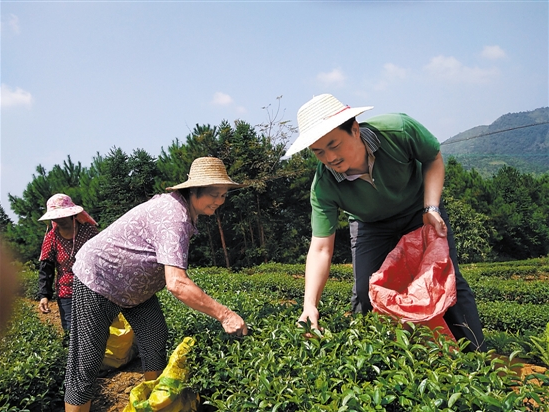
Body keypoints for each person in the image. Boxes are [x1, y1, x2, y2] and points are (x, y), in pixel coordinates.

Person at [287, 94, 486, 352]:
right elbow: (321, 248)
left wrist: (431, 206)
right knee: (365, 293)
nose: (329, 157)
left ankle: (476, 357)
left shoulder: (398, 131)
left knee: (443, 279)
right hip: (370, 225)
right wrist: (309, 304)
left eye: (334, 144)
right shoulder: (324, 185)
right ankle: (387, 358)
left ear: (355, 129)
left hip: (420, 211)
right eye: (319, 152)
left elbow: (433, 158)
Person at [64, 156, 249, 411]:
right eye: (214, 194)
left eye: (224, 195)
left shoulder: (184, 211)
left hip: (135, 290)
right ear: (193, 190)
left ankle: (155, 404)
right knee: (86, 362)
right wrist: (225, 315)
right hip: (99, 278)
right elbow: (177, 284)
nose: (219, 201)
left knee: (154, 338)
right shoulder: (175, 217)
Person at [37, 194, 99, 332]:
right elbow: (46, 268)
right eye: (56, 216)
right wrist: (44, 295)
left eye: (62, 215)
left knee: (94, 329)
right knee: (71, 332)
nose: (59, 219)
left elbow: (103, 257)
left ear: (72, 214)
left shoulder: (88, 231)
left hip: (93, 288)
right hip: (66, 291)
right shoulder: (51, 238)